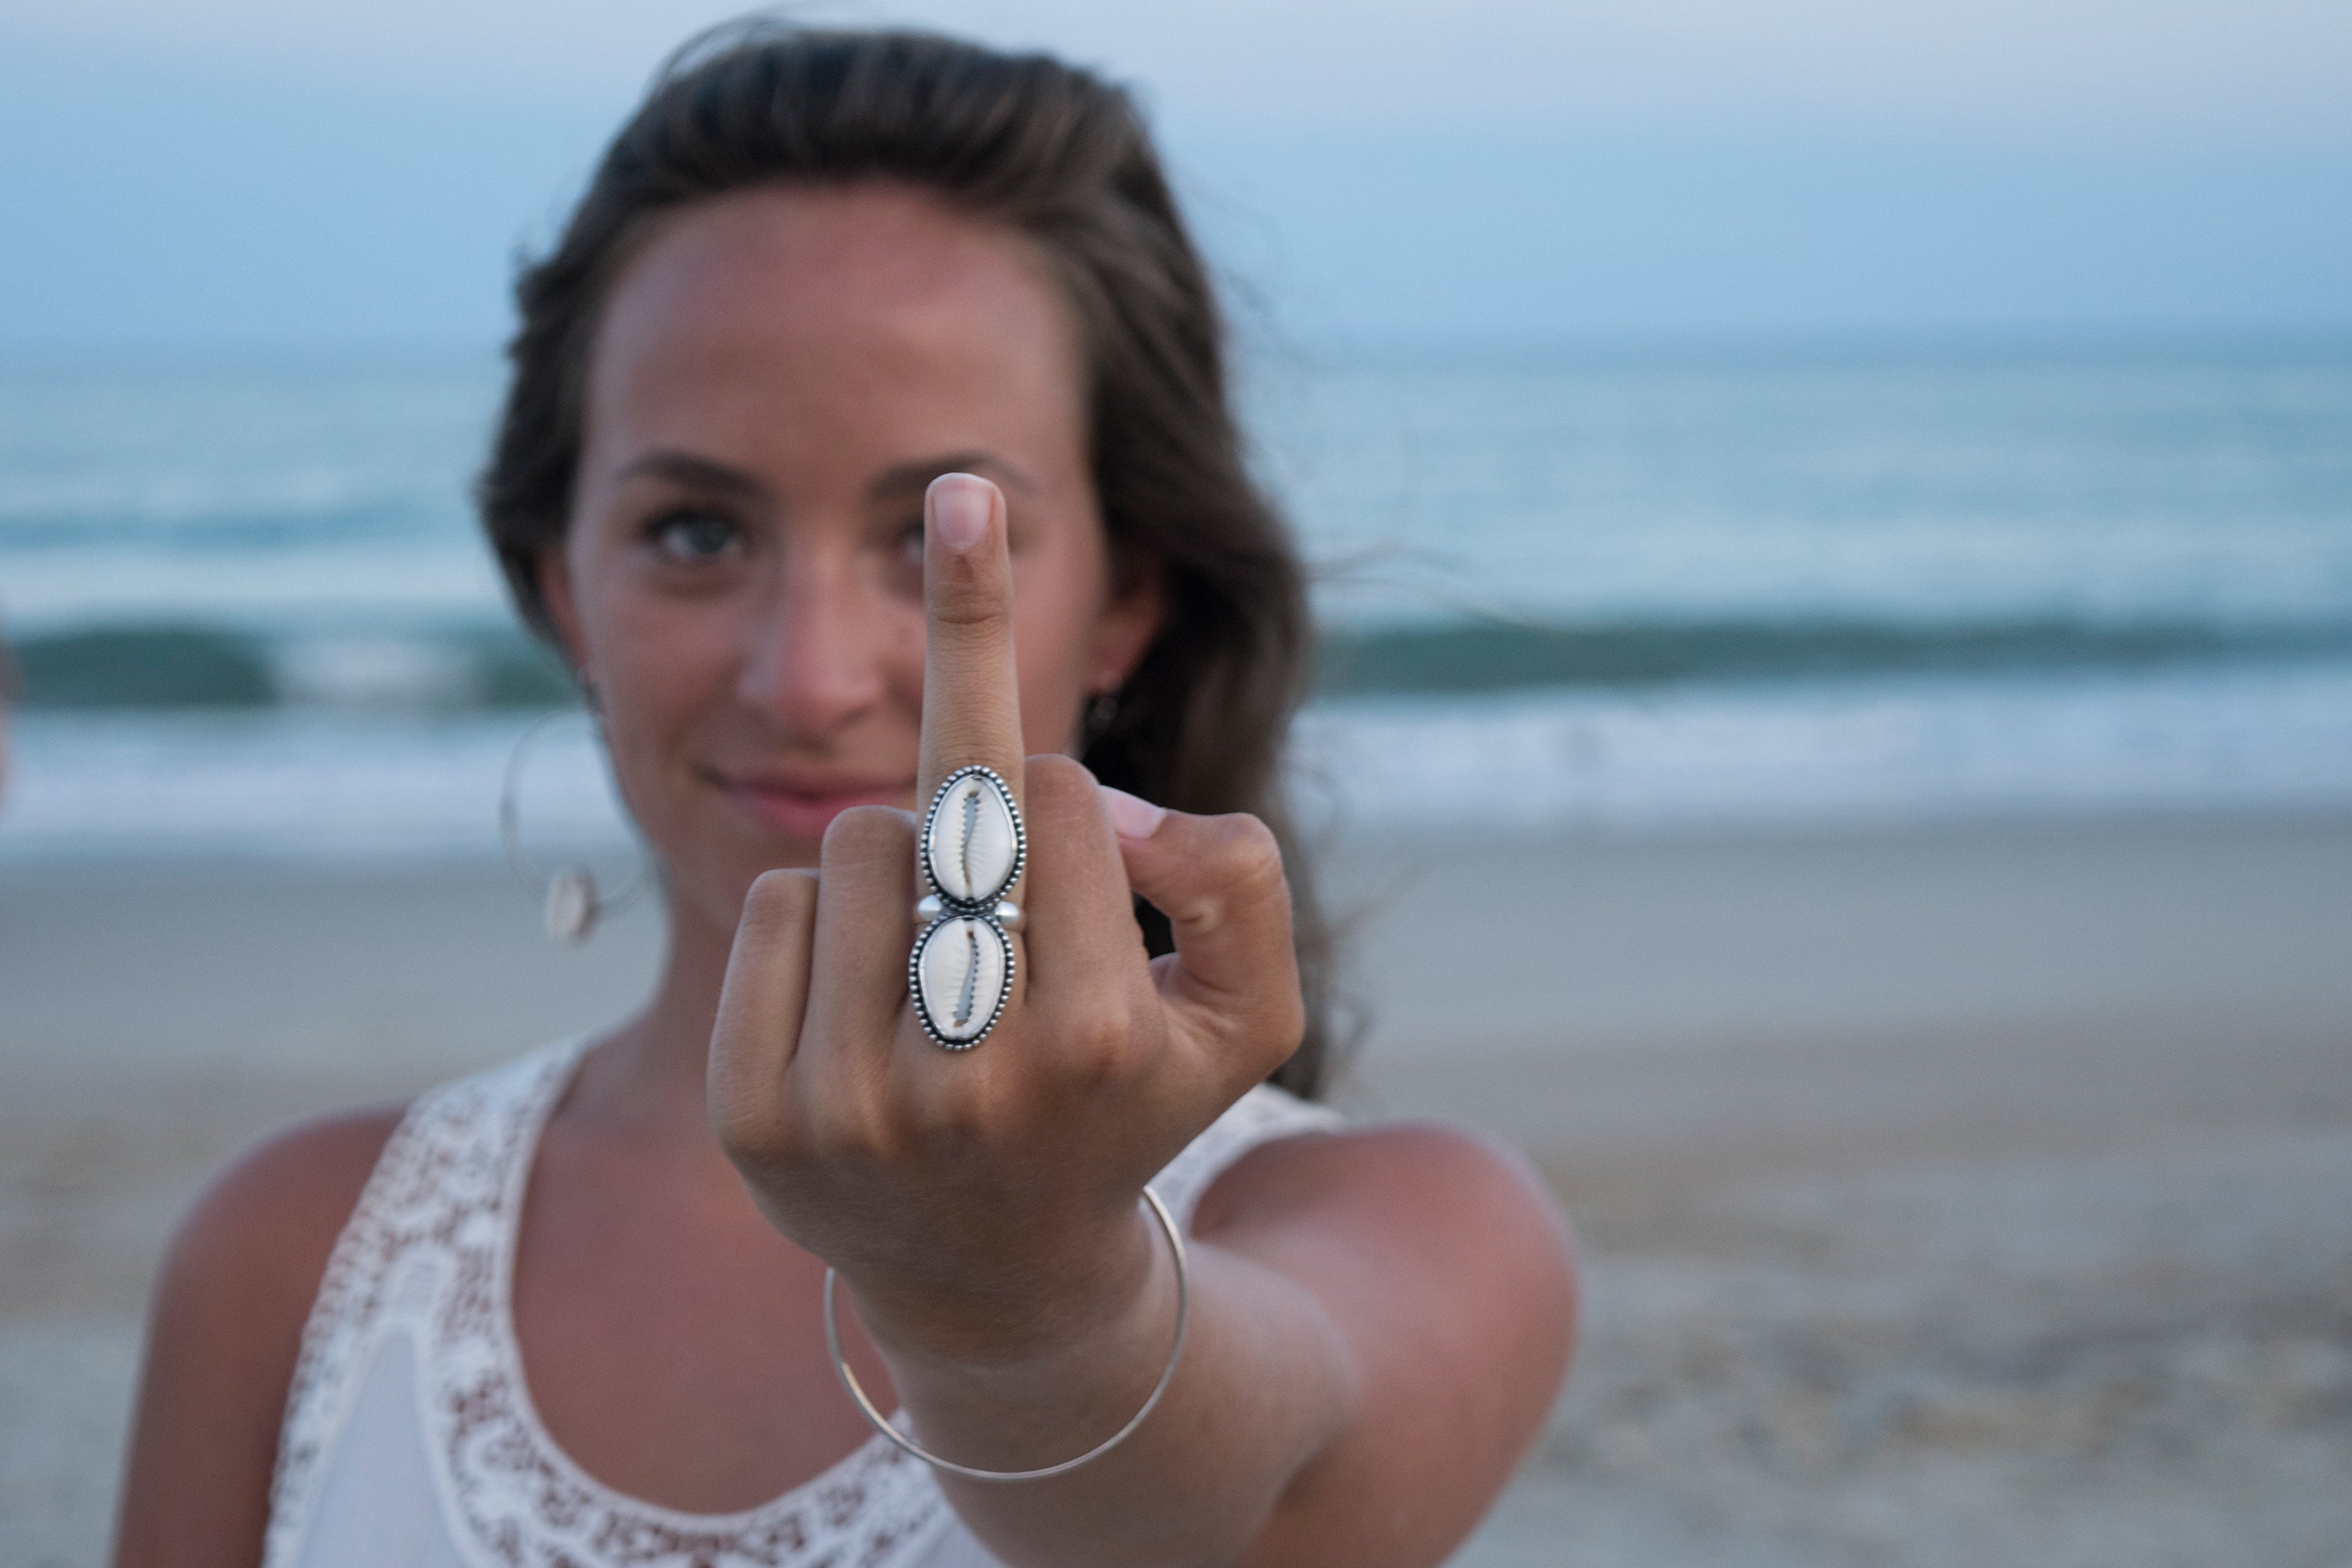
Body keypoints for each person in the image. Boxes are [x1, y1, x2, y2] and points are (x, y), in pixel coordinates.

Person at [111, 24, 1577, 1568]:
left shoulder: (1414, 1225)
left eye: (938, 538)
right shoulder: (296, 1252)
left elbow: (1227, 1503)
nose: (807, 679)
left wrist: (1023, 1296)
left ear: (1128, 597)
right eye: (693, 530)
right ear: (562, 587)